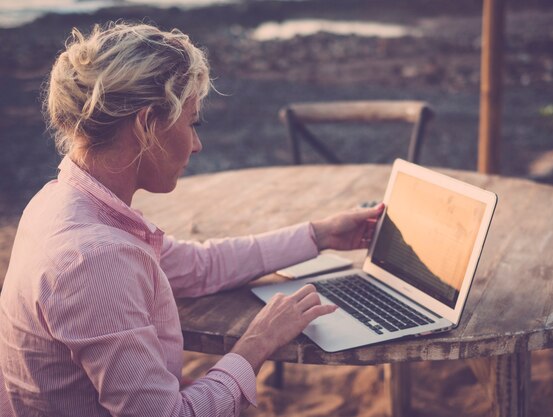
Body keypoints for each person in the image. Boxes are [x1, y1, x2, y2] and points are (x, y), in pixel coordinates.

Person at [0, 22, 383, 417]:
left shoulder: (60, 202)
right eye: (192, 122)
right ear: (147, 124)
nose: (197, 144)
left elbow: (201, 267)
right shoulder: (95, 259)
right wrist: (258, 342)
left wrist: (321, 235)